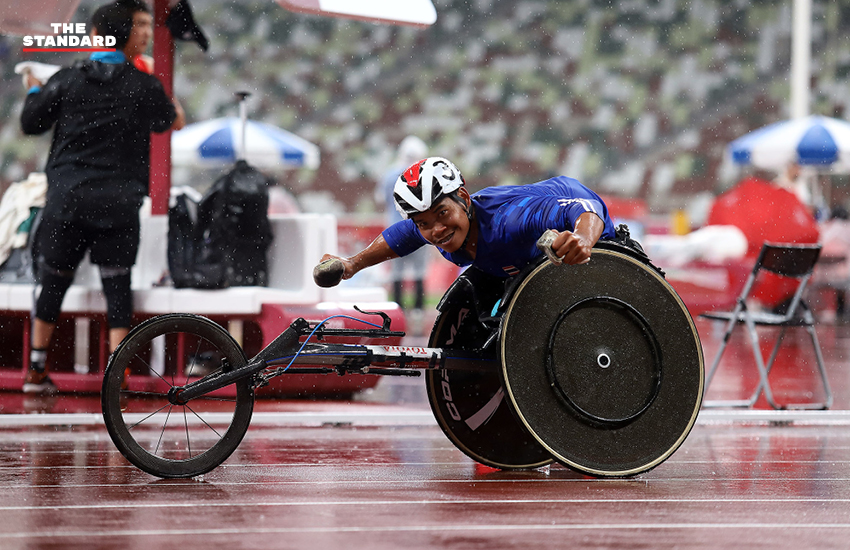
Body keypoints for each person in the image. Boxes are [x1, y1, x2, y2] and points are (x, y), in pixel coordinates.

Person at [19, 0, 185, 394]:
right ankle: (118, 376)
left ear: (96, 35)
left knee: (53, 281)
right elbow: (170, 120)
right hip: (118, 202)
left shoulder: (67, 79)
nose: (145, 33)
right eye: (140, 27)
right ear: (126, 35)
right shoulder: (143, 84)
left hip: (68, 199)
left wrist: (35, 88)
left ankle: (36, 371)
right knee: (117, 286)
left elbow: (31, 123)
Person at [320, 157, 616, 289]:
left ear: (463, 198)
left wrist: (583, 239)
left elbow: (585, 205)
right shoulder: (429, 228)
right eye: (423, 223)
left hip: (593, 234)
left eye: (442, 214)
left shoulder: (510, 220)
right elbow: (399, 237)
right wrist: (352, 264)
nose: (436, 230)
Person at [374, 136, 429, 312]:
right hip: (420, 227)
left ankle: (398, 309)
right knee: (419, 271)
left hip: (395, 227)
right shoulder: (424, 174)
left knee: (396, 271)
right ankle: (418, 310)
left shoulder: (390, 174)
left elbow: (380, 198)